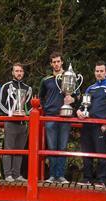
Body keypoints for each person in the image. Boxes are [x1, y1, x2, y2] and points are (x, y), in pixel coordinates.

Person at [75, 60, 106, 188]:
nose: (99, 73)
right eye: (97, 71)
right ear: (94, 72)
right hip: (87, 124)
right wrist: (78, 111)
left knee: (101, 153)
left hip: (101, 126)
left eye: (101, 71)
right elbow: (84, 105)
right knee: (86, 153)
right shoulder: (90, 88)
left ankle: (102, 180)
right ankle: (87, 178)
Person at [39, 52, 77, 184]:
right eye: (53, 62)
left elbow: (77, 95)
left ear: (62, 63)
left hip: (65, 117)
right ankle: (52, 176)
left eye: (58, 61)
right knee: (52, 146)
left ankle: (60, 175)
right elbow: (41, 98)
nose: (56, 64)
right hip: (50, 116)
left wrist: (73, 99)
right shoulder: (46, 80)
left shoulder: (69, 77)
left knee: (62, 146)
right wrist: (47, 108)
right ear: (51, 64)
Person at [0, 63, 32, 182]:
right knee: (8, 149)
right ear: (12, 72)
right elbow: (0, 103)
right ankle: (8, 174)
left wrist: (26, 114)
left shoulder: (28, 89)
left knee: (20, 150)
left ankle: (17, 174)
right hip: (11, 122)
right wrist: (11, 114)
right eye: (16, 71)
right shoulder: (6, 86)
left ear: (23, 73)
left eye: (21, 71)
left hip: (23, 124)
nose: (19, 73)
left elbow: (29, 107)